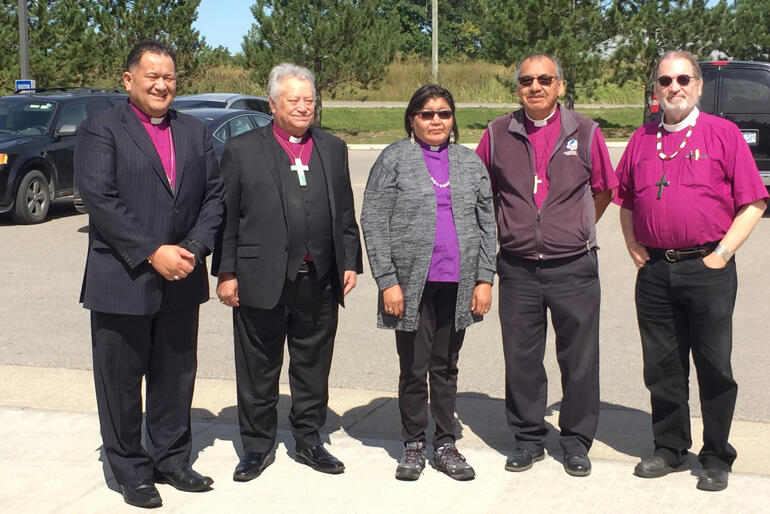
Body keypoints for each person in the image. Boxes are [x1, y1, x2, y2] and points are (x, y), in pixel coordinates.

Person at [74, 40, 224, 508]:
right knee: (119, 382)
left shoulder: (196, 133)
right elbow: (100, 199)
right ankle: (130, 470)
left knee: (175, 375)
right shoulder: (101, 129)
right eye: (152, 76)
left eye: (170, 77)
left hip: (183, 275)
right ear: (128, 79)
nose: (162, 85)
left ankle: (172, 459)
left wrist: (194, 249)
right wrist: (152, 252)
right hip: (123, 277)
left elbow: (215, 197)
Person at [615, 50, 768, 492]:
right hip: (656, 272)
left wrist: (721, 253)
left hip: (708, 268)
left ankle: (717, 454)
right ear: (656, 90)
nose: (674, 87)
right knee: (662, 366)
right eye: (665, 81)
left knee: (714, 365)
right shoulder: (643, 139)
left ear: (698, 85)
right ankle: (669, 447)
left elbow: (754, 202)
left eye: (683, 79)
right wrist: (631, 243)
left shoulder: (723, 134)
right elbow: (625, 199)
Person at [214, 63, 363, 482]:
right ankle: (257, 448)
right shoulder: (242, 149)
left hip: (319, 278)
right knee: (258, 367)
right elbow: (228, 219)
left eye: (309, 100)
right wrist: (226, 273)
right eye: (293, 100)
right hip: (260, 277)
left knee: (312, 364)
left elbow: (345, 212)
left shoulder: (332, 148)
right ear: (273, 104)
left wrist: (349, 260)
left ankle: (310, 440)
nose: (303, 107)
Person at [475, 53, 618, 477]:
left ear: (560, 85)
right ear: (517, 87)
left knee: (579, 358)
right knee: (521, 358)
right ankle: (528, 438)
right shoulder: (498, 133)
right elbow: (483, 191)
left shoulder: (586, 131)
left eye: (544, 79)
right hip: (517, 267)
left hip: (573, 266)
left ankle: (575, 441)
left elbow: (604, 191)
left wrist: (573, 228)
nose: (535, 87)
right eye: (526, 81)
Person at [361, 84, 497, 481]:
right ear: (412, 119)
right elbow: (374, 220)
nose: (436, 120)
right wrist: (387, 281)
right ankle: (414, 442)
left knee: (446, 366)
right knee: (414, 365)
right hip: (410, 285)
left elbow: (487, 224)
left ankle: (446, 442)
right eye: (427, 113)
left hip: (458, 282)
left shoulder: (470, 163)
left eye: (444, 113)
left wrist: (484, 278)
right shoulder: (394, 159)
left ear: (453, 119)